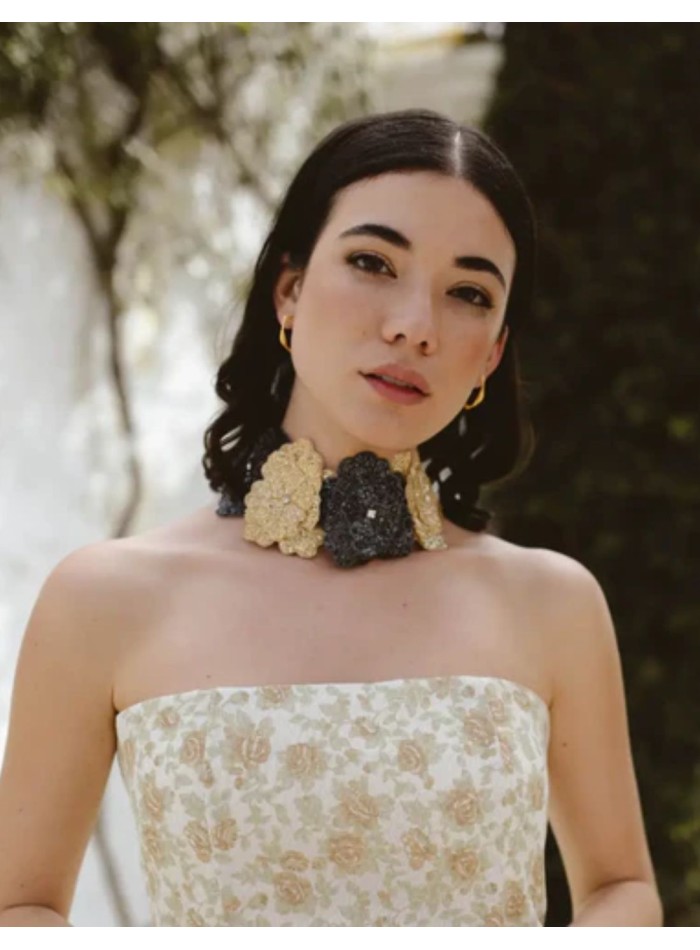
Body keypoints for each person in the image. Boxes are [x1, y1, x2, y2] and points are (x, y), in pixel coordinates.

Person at [0, 108, 662, 927]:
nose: (413, 326)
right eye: (372, 262)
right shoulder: (104, 598)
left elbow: (621, 889)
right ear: (289, 289)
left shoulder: (553, 604)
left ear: (492, 353)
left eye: (468, 293)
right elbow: (20, 909)